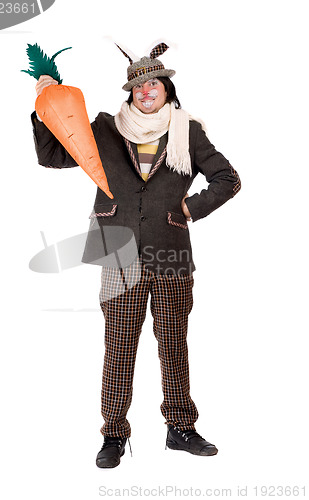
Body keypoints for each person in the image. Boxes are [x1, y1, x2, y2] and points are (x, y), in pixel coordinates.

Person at [30, 42, 241, 469]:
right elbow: (52, 156)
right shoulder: (106, 129)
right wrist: (43, 105)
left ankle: (180, 429)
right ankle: (113, 434)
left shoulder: (188, 131)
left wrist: (189, 208)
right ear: (130, 93)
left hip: (171, 252)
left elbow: (228, 178)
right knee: (119, 346)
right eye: (138, 85)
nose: (146, 91)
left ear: (166, 88)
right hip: (117, 251)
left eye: (154, 84)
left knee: (173, 346)